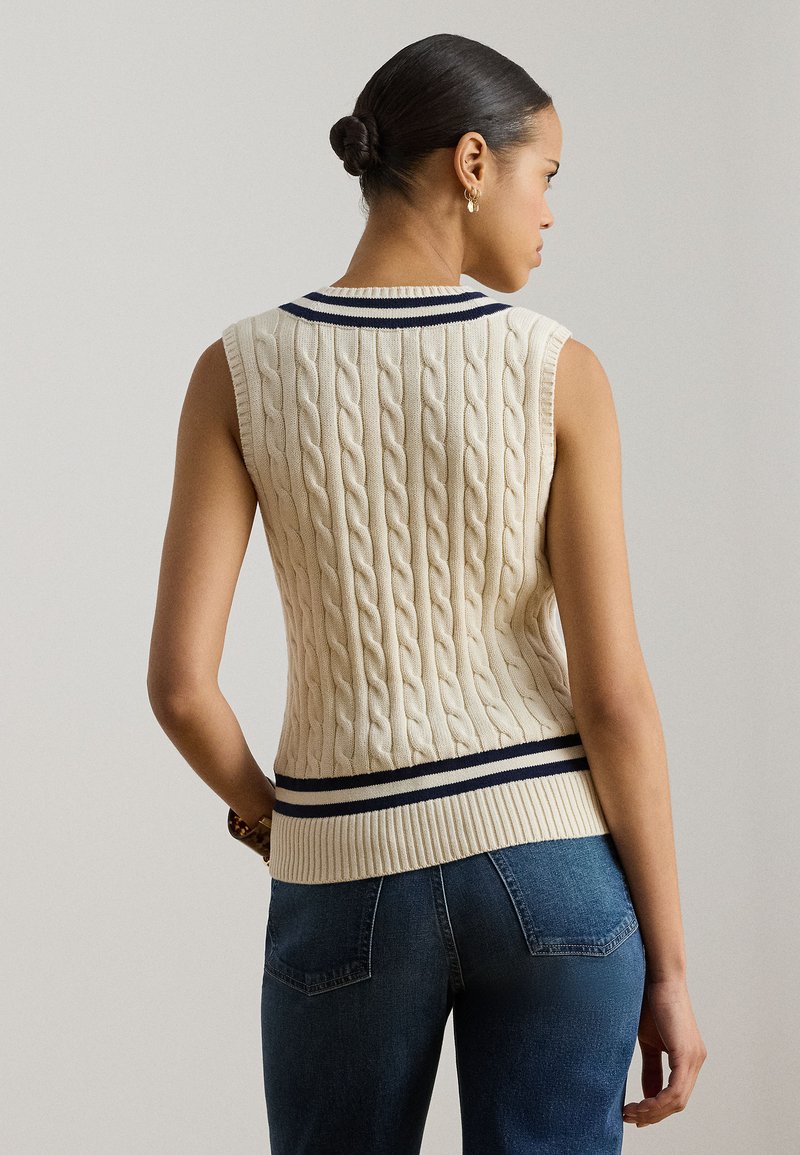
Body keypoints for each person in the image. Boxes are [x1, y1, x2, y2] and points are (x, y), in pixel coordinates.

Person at [147, 32, 706, 1154]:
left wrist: (278, 820)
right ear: (471, 162)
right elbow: (613, 699)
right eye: (545, 174)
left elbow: (179, 688)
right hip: (552, 864)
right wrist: (672, 970)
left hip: (344, 870)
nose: (549, 213)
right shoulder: (556, 369)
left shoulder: (238, 370)